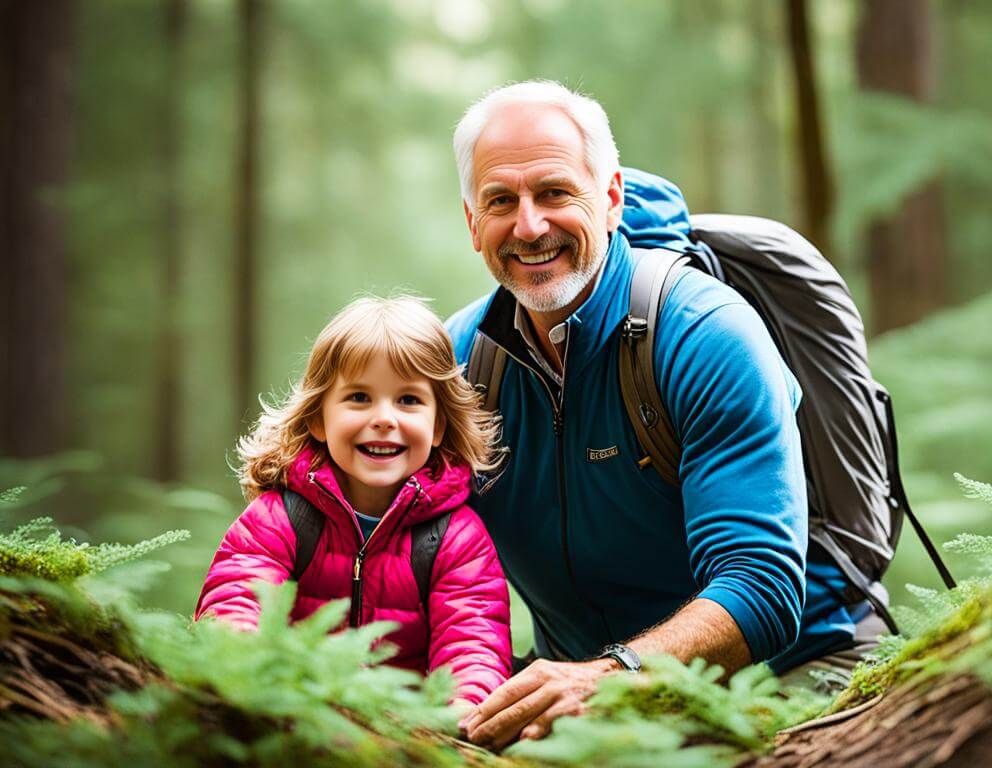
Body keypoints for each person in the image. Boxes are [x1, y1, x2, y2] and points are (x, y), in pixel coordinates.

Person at [445, 81, 885, 749]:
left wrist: (609, 678)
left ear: (612, 196)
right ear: (473, 222)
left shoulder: (705, 333)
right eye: (501, 201)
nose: (529, 226)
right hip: (582, 698)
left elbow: (761, 587)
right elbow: (386, 534)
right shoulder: (459, 364)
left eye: (556, 192)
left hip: (792, 675)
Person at [195, 295, 512, 707]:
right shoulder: (282, 517)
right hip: (289, 713)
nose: (384, 418)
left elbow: (474, 644)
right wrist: (244, 668)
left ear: (439, 426)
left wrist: (462, 711)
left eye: (409, 400)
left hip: (405, 738)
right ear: (318, 419)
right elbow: (235, 597)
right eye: (359, 397)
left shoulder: (456, 537)